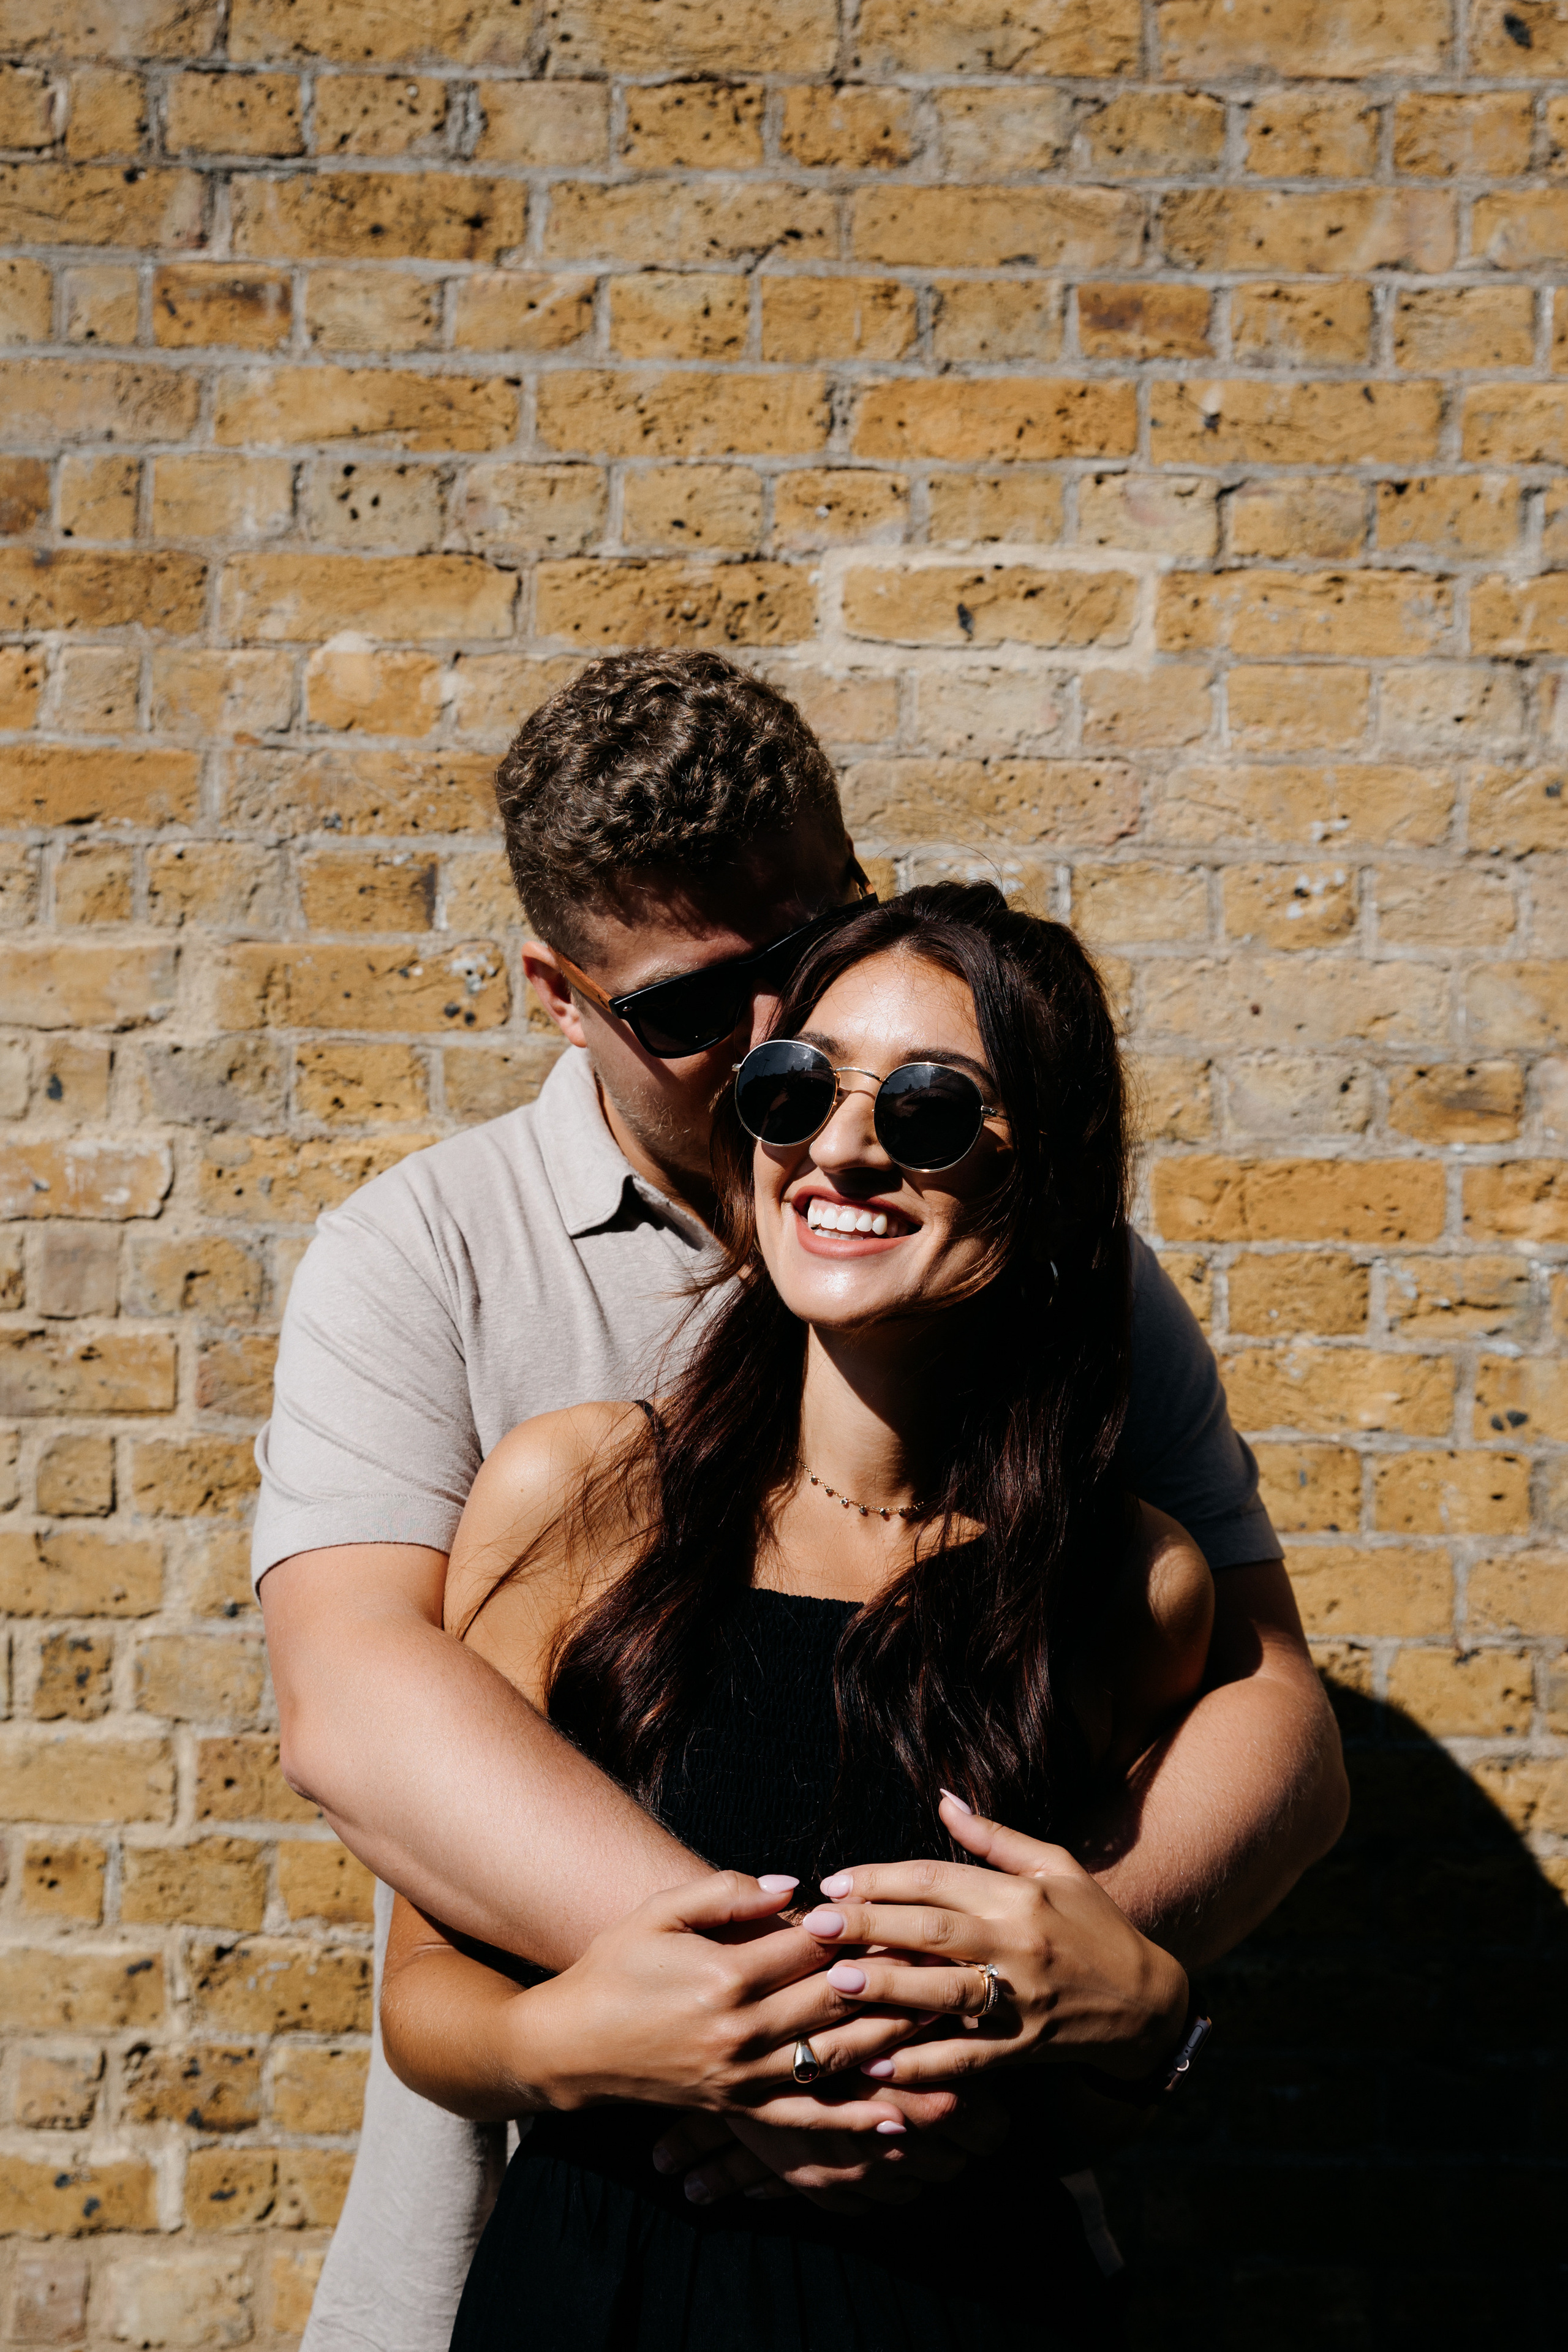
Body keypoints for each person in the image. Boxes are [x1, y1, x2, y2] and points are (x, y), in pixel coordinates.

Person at [255, 653, 1348, 2352]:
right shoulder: (432, 1267)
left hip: (942, 2253)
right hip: (559, 2227)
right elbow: (356, 1707)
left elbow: (1267, 1703)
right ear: (561, 992)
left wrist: (1064, 1993)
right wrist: (793, 2028)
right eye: (703, 1016)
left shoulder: (1074, 1296)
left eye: (804, 957)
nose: (786, 1051)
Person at [380, 883, 1219, 2350]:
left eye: (928, 1110)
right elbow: (425, 1998)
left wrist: (1137, 2021)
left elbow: (1092, 2086)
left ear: (1046, 1179)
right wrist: (572, 2044)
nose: (838, 1147)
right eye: (795, 1089)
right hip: (605, 2300)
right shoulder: (577, 1495)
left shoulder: (1127, 1584)